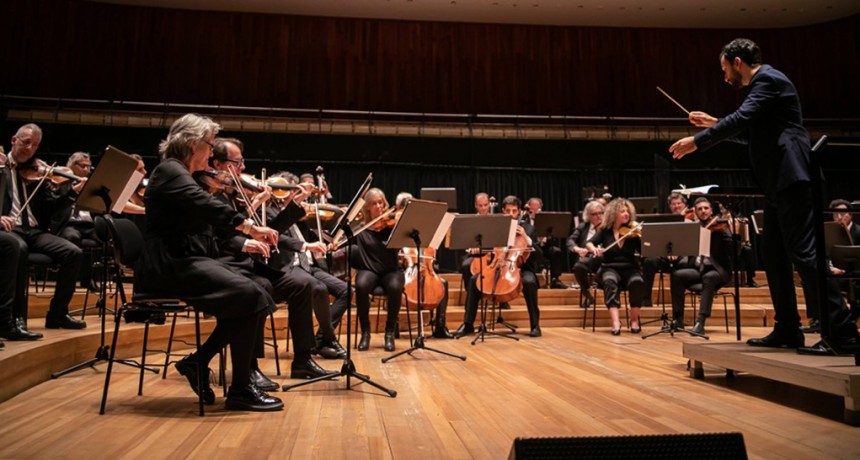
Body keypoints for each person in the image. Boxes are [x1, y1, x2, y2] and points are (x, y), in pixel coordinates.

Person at [669, 38, 860, 354]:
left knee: (806, 256)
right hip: (777, 184)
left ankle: (843, 332)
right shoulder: (763, 86)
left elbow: (743, 119)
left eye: (724, 68)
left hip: (794, 178)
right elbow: (750, 133)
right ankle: (787, 328)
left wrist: (699, 140)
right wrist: (714, 123)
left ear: (737, 62)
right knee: (773, 256)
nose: (724, 76)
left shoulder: (768, 79)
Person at [135, 114, 283, 411]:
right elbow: (203, 205)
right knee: (251, 295)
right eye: (209, 145)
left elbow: (207, 222)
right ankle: (239, 388)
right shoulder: (169, 171)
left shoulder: (185, 174)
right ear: (192, 144)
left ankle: (199, 362)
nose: (212, 152)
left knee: (256, 292)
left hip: (187, 259)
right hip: (169, 265)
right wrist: (250, 227)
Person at [207, 138, 338, 384]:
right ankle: (250, 366)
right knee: (260, 288)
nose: (243, 169)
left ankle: (303, 360)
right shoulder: (216, 195)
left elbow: (272, 231)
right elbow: (224, 233)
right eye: (237, 163)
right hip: (232, 267)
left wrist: (294, 203)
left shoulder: (238, 194)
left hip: (255, 265)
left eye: (242, 162)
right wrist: (255, 204)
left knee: (304, 286)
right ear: (218, 164)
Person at [1, 123, 85, 331]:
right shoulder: (1, 168)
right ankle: (15, 319)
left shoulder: (37, 174)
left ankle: (57, 314)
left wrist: (72, 192)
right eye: (26, 143)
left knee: (73, 253)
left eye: (35, 146)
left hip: (34, 232)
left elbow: (53, 209)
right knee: (18, 248)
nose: (30, 149)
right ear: (14, 140)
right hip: (10, 230)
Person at [455, 195, 542, 337]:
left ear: (519, 211)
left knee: (529, 282)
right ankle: (468, 324)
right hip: (497, 265)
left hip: (522, 268)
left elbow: (539, 255)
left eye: (514, 211)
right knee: (474, 280)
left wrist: (526, 238)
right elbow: (487, 249)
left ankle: (535, 325)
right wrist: (477, 250)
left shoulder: (529, 228)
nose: (511, 215)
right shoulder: (496, 228)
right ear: (503, 211)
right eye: (508, 211)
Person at [669, 198, 733, 334]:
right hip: (699, 269)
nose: (703, 211)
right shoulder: (694, 228)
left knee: (709, 278)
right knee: (677, 275)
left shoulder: (720, 226)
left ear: (711, 210)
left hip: (717, 270)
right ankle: (678, 319)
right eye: (699, 209)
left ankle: (700, 322)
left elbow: (733, 248)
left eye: (706, 208)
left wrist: (727, 233)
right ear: (695, 212)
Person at [393, 192, 453, 338]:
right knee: (393, 283)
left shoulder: (423, 225)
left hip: (425, 267)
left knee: (443, 283)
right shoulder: (396, 223)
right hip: (402, 268)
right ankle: (393, 326)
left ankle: (440, 326)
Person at [353, 188, 404, 351]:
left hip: (391, 270)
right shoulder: (361, 229)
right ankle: (365, 332)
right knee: (361, 286)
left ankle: (389, 332)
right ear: (367, 207)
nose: (378, 206)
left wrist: (400, 223)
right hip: (369, 270)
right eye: (374, 203)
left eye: (381, 202)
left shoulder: (392, 226)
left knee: (396, 287)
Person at [585, 198, 644, 335]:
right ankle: (616, 322)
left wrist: (644, 238)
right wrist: (594, 249)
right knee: (609, 281)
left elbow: (644, 252)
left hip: (630, 268)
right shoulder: (605, 230)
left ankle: (634, 320)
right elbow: (589, 243)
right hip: (609, 267)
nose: (626, 214)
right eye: (622, 211)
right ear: (613, 214)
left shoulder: (634, 232)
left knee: (637, 282)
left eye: (627, 211)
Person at [521, 197, 567, 289]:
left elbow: (553, 238)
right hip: (532, 248)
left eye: (537, 210)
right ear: (528, 209)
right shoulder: (523, 221)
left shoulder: (546, 220)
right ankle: (532, 279)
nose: (535, 212)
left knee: (556, 251)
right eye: (532, 210)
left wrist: (545, 239)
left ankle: (555, 279)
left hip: (544, 247)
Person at [567, 200, 604, 308]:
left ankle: (606, 289)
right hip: (588, 258)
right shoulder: (583, 227)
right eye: (594, 214)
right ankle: (587, 294)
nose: (598, 216)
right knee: (578, 267)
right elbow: (570, 240)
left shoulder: (608, 227)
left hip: (604, 259)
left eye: (600, 213)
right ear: (588, 216)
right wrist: (577, 249)